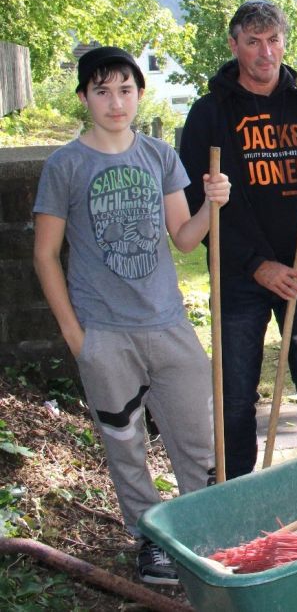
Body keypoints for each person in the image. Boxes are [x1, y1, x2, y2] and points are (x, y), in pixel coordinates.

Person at [33, 47, 231, 585]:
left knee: (198, 436)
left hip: (167, 325)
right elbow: (45, 254)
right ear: (84, 99)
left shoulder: (160, 156)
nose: (115, 102)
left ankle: (201, 532)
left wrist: (213, 204)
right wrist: (78, 339)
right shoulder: (66, 165)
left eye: (125, 89)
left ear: (140, 94)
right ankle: (151, 541)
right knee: (125, 445)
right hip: (104, 333)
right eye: (102, 91)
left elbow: (185, 240)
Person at [179, 0, 297, 478]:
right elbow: (199, 210)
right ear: (234, 43)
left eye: (273, 40)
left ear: (285, 42)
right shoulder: (209, 114)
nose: (265, 52)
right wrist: (257, 264)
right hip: (241, 278)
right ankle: (238, 495)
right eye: (253, 42)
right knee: (236, 395)